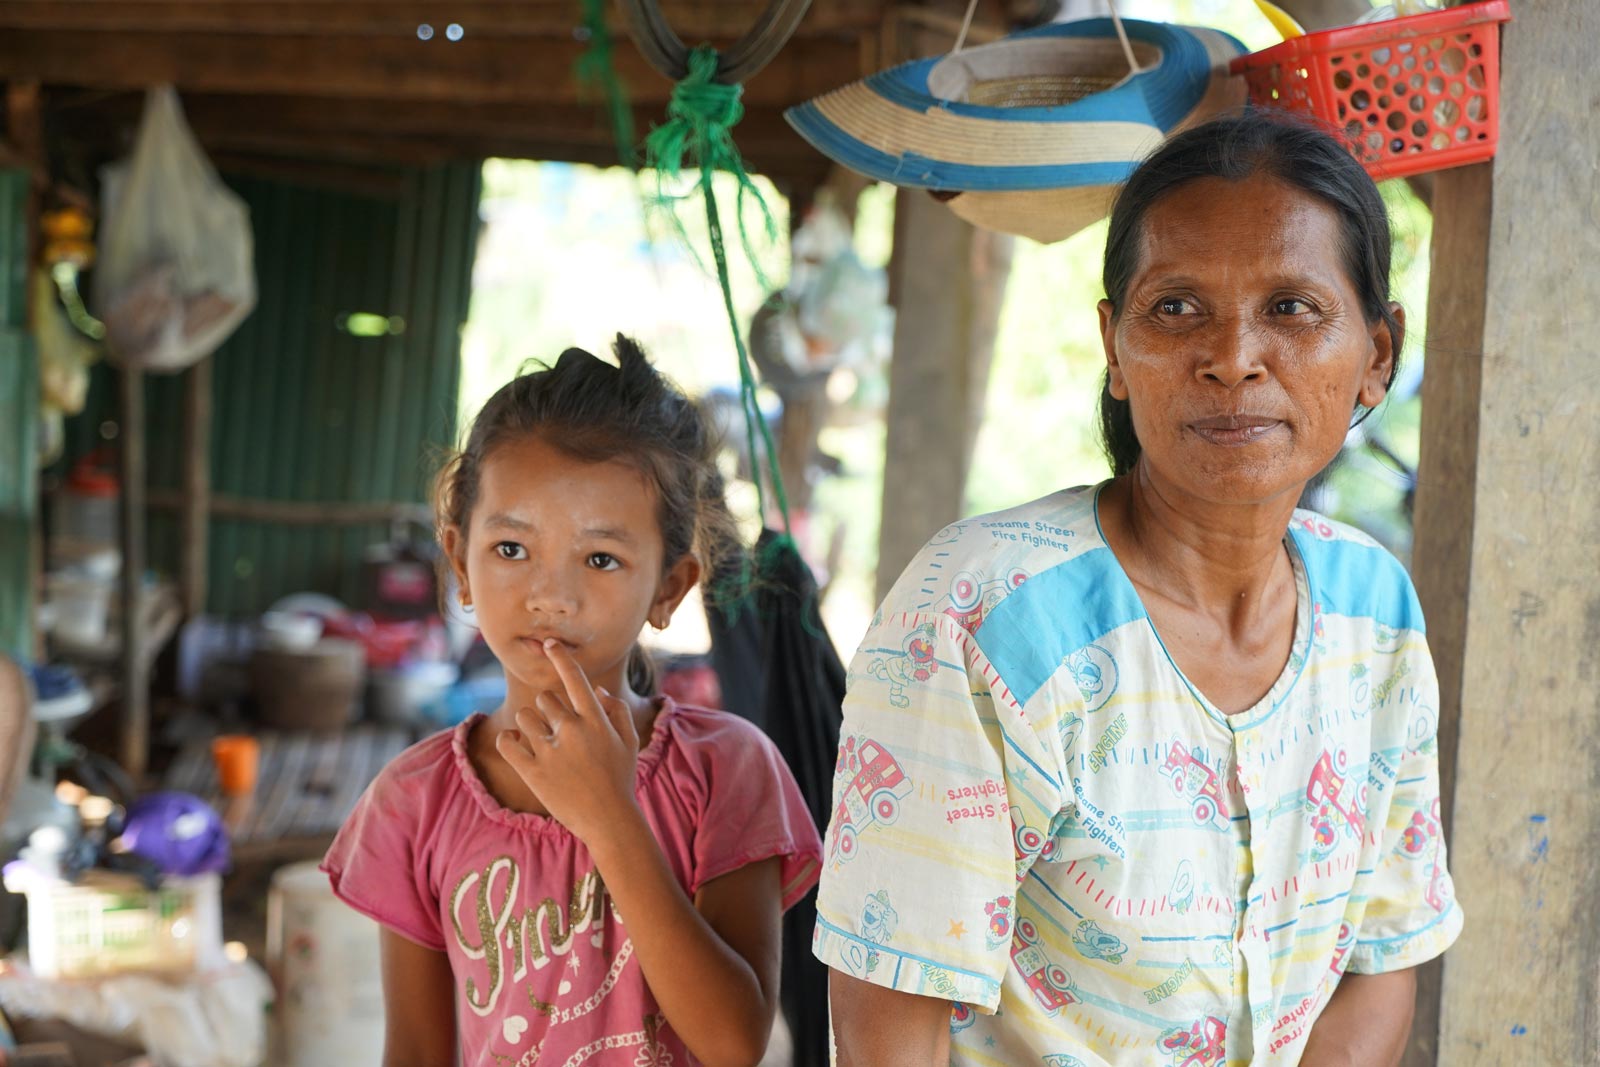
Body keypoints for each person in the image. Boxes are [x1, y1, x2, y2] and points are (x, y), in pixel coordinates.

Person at [815, 112, 1462, 1067]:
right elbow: (892, 1016)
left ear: (1375, 353)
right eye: (1175, 308)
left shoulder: (1376, 610)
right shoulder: (982, 615)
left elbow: (1380, 956)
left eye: (1291, 308)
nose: (1233, 355)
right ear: (1115, 348)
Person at [323, 337, 823, 1067]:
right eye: (511, 549)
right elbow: (417, 1051)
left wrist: (610, 816)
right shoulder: (414, 801)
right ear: (460, 562)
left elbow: (733, 1042)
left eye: (600, 558)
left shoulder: (728, 769)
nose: (551, 595)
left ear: (669, 588)